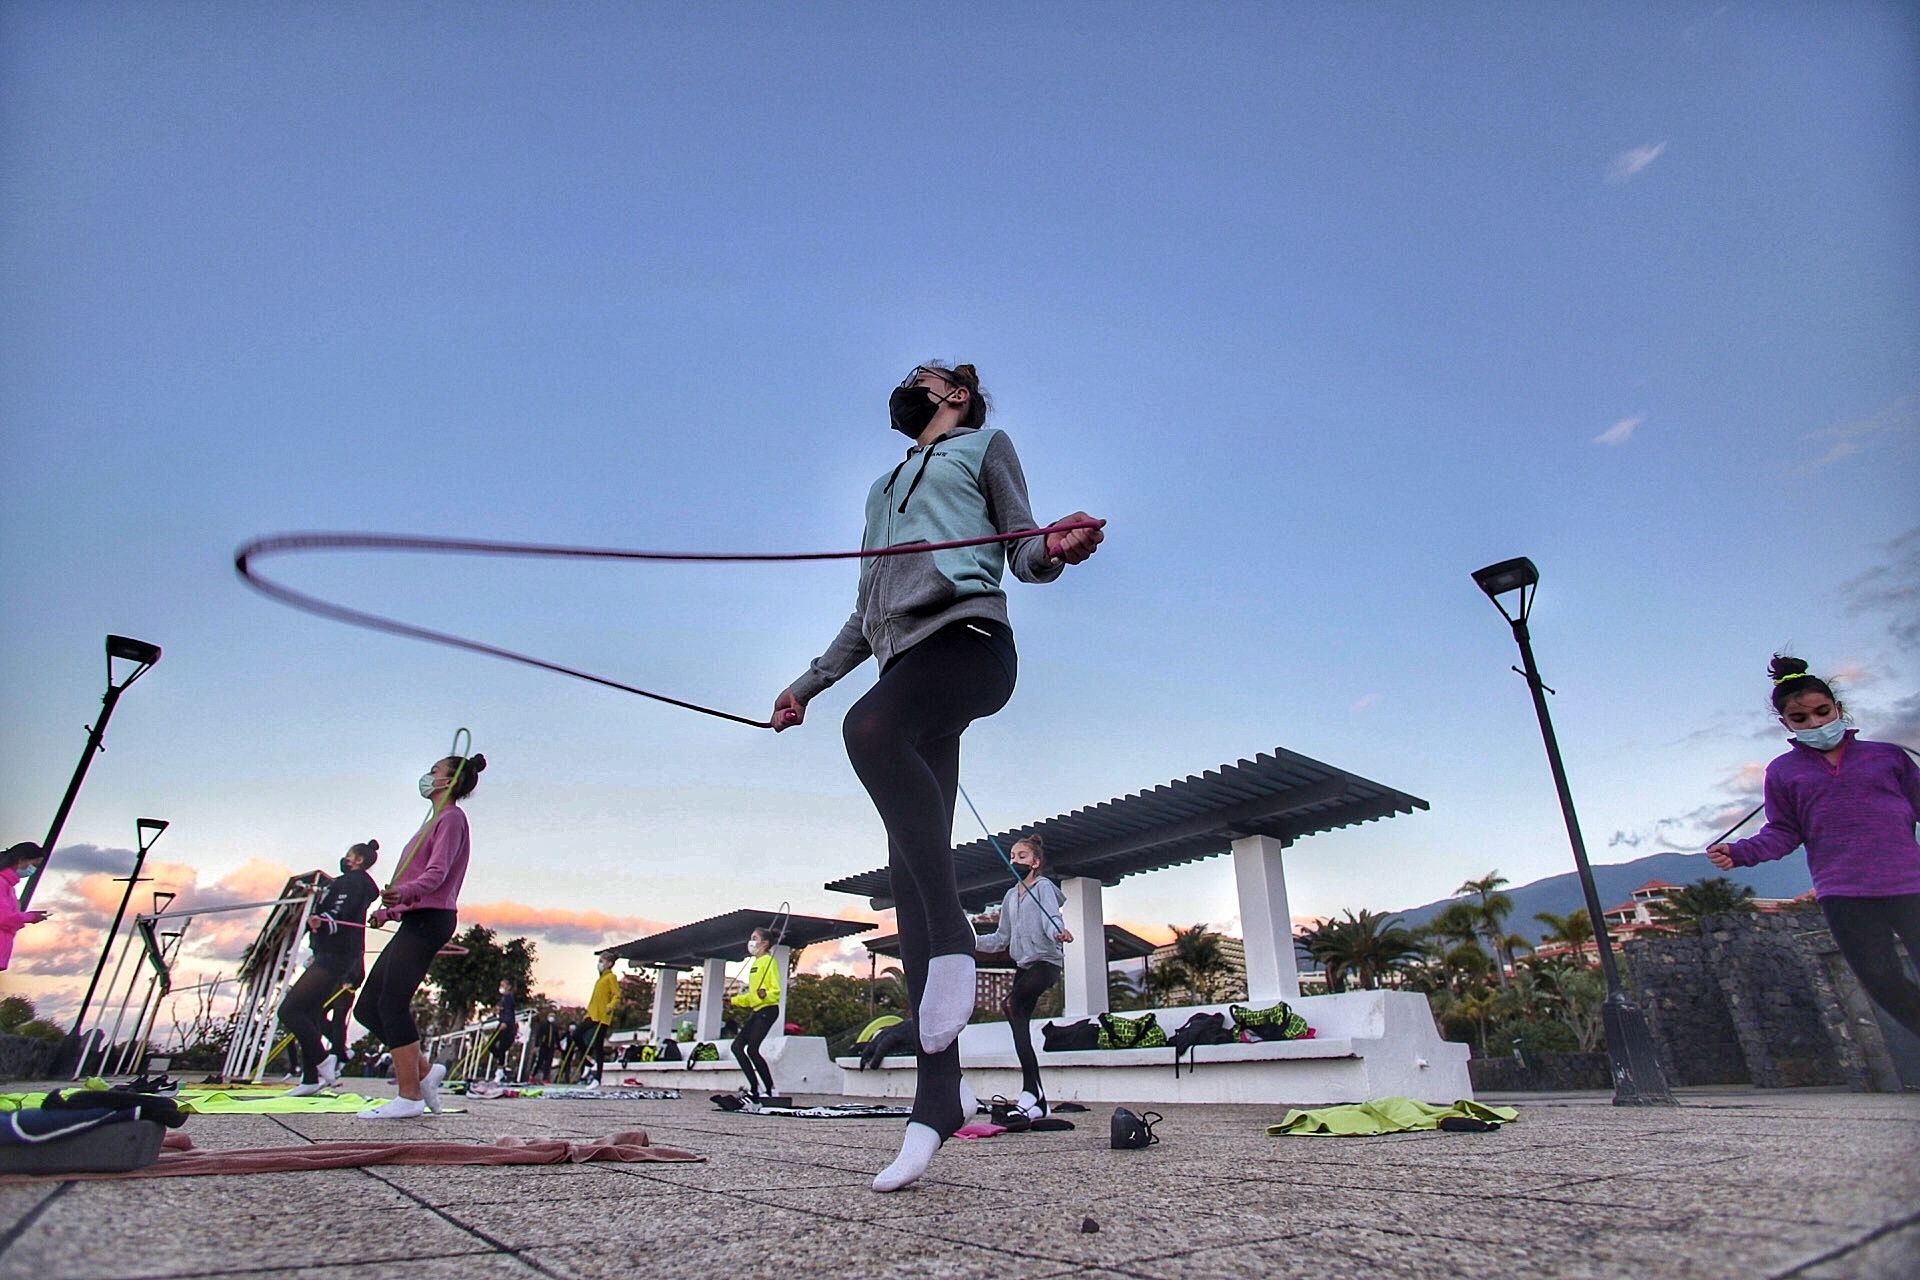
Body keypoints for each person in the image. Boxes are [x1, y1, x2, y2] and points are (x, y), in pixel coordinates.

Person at [772, 362, 1102, 1191]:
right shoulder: (882, 487)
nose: (903, 389)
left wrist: (1054, 550)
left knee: (873, 731)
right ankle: (935, 1101)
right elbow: (865, 608)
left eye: (919, 379)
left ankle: (959, 934)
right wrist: (806, 684)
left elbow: (1022, 546)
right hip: (902, 665)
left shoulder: (984, 445)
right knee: (909, 878)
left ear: (953, 393)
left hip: (969, 646)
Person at [1710, 656, 1920, 1038]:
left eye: (1823, 712)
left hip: (1912, 884)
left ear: (1838, 709)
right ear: (1785, 723)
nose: (1816, 724)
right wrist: (1741, 852)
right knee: (1882, 981)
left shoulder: (1887, 756)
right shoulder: (1783, 772)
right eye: (1801, 719)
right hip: (1844, 893)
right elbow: (1784, 831)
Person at [354, 750, 487, 1118]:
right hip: (416, 916)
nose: (428, 776)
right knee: (368, 1008)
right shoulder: (432, 822)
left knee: (392, 1002)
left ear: (449, 781)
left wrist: (405, 896)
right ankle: (426, 1073)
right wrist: (389, 910)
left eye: (434, 771)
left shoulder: (452, 818)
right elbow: (414, 884)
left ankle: (409, 1096)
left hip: (432, 918)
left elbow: (438, 874)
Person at [972, 834, 1073, 1120]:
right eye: (1013, 856)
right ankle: (1035, 1096)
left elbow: (1051, 917)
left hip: (1046, 962)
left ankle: (1032, 1093)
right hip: (1024, 966)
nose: (1016, 860)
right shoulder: (1008, 896)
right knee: (1017, 1019)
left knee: (1012, 1004)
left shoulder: (1044, 887)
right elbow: (1001, 939)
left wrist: (1058, 931)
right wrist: (970, 941)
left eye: (1022, 856)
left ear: (1036, 862)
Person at [280, 840, 381, 1095]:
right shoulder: (349, 883)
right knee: (311, 1012)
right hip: (333, 953)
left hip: (336, 954)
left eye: (349, 855)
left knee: (290, 1010)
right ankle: (310, 1078)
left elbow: (341, 911)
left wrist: (323, 921)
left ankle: (325, 1060)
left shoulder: (351, 882)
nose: (344, 858)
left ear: (357, 859)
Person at [730, 927, 783, 1100]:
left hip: (768, 1010)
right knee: (737, 1047)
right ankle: (755, 1087)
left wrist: (765, 994)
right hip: (758, 1010)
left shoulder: (769, 961)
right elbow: (752, 997)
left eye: (755, 938)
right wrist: (733, 1001)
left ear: (765, 943)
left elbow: (775, 990)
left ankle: (770, 1089)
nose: (751, 941)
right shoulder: (755, 963)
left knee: (752, 1049)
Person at [1, 842, 51, 972]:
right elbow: (4, 918)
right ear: (21, 860)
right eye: (34, 865)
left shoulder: (9, 887)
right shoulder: (2, 884)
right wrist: (31, 916)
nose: (33, 870)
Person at [572, 955, 620, 1084]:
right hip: (592, 1014)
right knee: (576, 1034)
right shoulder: (600, 979)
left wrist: (610, 1006)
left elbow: (617, 995)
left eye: (601, 961)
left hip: (603, 1016)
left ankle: (597, 1078)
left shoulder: (611, 977)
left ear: (609, 963)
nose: (599, 963)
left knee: (599, 1046)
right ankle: (588, 1061)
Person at [485, 979, 519, 1081]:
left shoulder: (509, 998)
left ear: (508, 987)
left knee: (503, 1048)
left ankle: (499, 1072)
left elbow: (509, 1012)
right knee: (490, 1045)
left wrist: (506, 1022)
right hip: (501, 1024)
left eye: (503, 985)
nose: (501, 987)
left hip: (507, 1026)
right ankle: (501, 1065)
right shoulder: (503, 999)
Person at [530, 1011, 559, 1083]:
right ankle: (532, 1076)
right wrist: (537, 1045)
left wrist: (559, 1047)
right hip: (544, 1046)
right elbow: (538, 1035)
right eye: (551, 1016)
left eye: (553, 1016)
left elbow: (557, 1038)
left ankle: (545, 1078)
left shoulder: (555, 1027)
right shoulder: (543, 1025)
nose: (552, 1018)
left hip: (551, 1047)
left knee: (548, 1063)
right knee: (540, 1062)